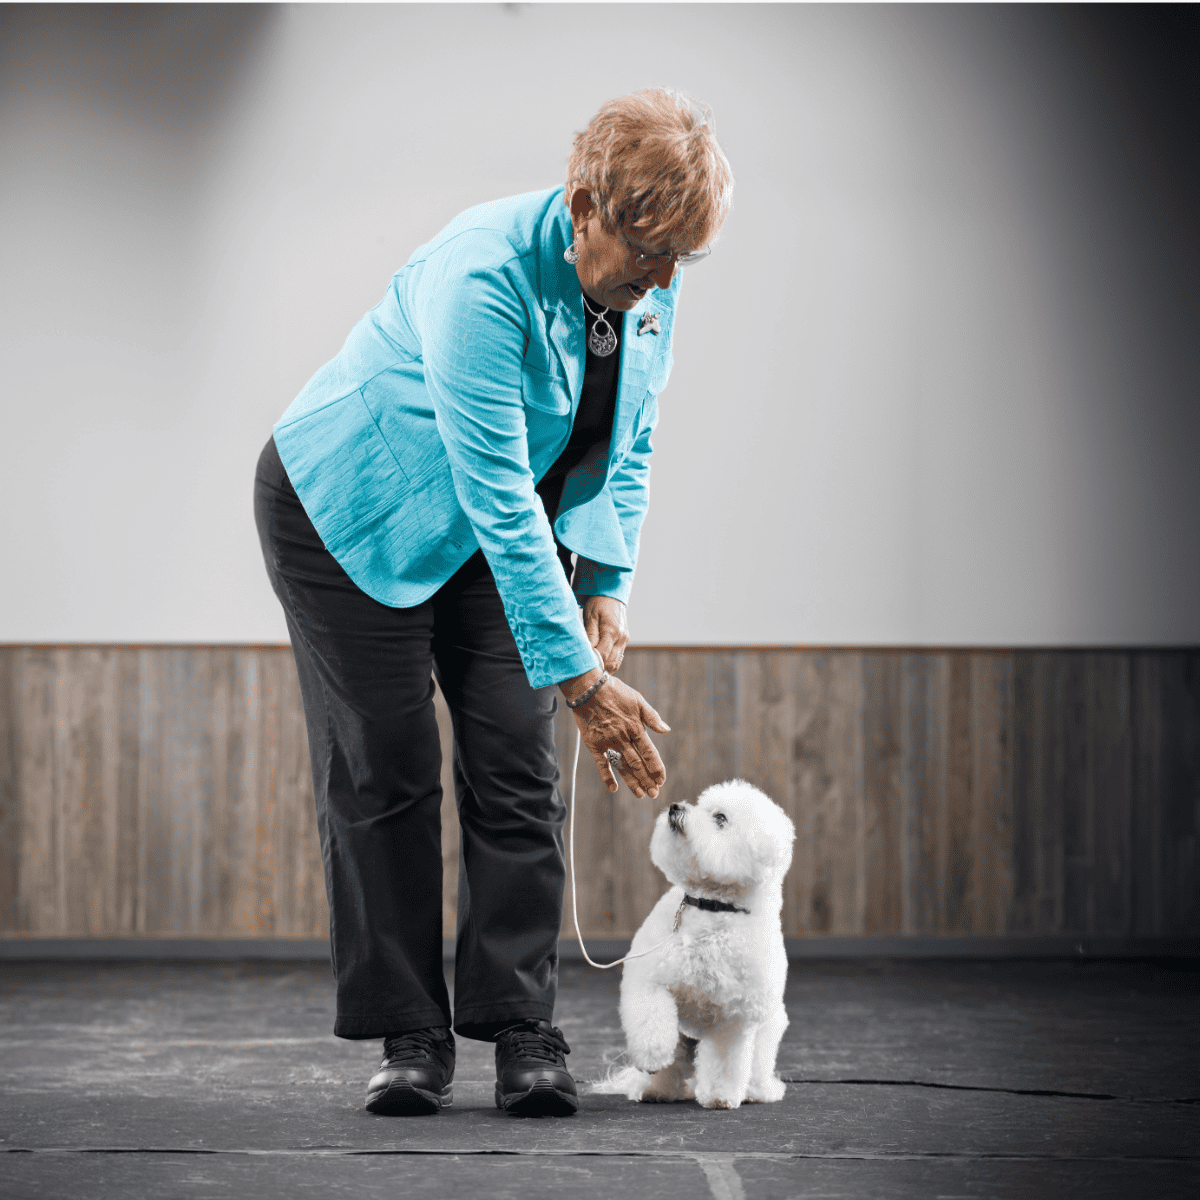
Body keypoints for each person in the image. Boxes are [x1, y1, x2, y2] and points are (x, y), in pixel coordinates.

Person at [253, 87, 733, 1117]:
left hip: (491, 523)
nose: (659, 283)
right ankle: (410, 1034)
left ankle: (521, 1025)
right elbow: (502, 496)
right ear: (583, 206)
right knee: (385, 772)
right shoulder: (481, 273)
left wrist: (604, 584)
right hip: (351, 510)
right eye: (646, 256)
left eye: (679, 263)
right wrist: (580, 677)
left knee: (517, 772)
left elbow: (631, 435)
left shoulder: (654, 270)